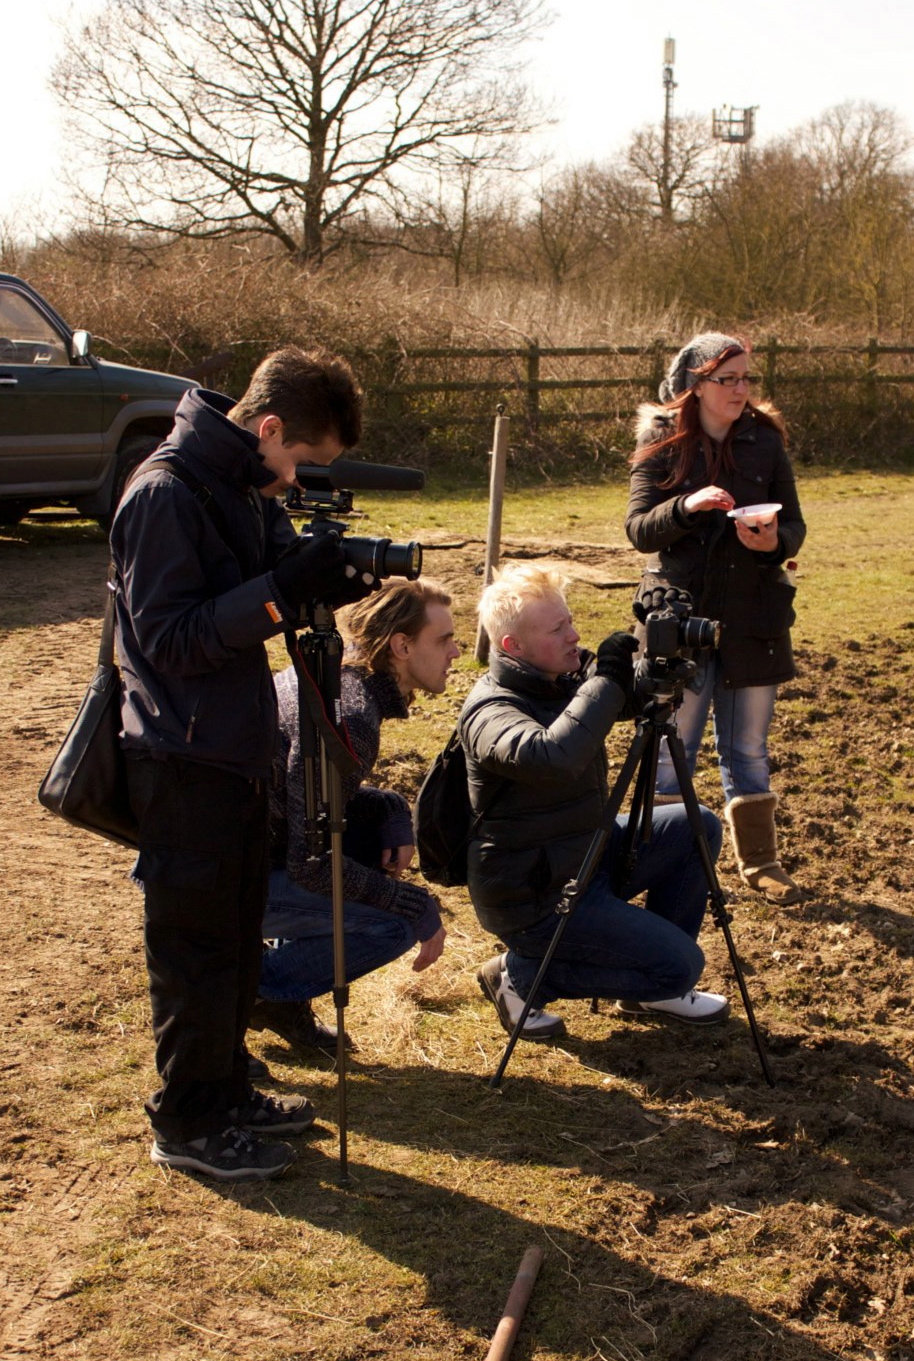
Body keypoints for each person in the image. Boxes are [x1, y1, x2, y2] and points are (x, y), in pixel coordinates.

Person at [111, 345, 375, 1181]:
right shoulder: (163, 494)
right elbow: (172, 638)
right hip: (179, 756)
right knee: (192, 947)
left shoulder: (240, 486)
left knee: (233, 936)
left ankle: (225, 1089)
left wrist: (316, 582)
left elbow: (269, 592)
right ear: (267, 428)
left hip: (237, 749)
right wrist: (278, 590)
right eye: (303, 463)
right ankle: (185, 1120)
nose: (301, 485)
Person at [459, 563, 729, 1042]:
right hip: (535, 895)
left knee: (696, 825)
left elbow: (612, 700)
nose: (574, 635)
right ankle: (519, 976)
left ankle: (651, 987)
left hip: (584, 855)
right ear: (513, 647)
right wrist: (605, 680)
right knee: (683, 966)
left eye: (570, 621)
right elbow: (553, 754)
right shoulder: (489, 711)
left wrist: (656, 669)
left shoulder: (556, 676)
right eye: (557, 628)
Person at [626, 332, 807, 905]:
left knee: (748, 747)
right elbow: (638, 529)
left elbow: (795, 526)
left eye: (747, 378)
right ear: (694, 386)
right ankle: (668, 857)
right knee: (670, 746)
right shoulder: (663, 443)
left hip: (754, 616)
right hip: (677, 618)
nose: (740, 389)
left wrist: (774, 541)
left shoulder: (766, 441)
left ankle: (760, 864)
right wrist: (686, 505)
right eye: (727, 379)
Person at [247, 579, 457, 1059]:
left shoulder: (338, 679)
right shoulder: (353, 713)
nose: (457, 651)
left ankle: (276, 998)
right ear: (402, 646)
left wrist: (390, 808)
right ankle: (242, 994)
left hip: (232, 860)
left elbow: (307, 800)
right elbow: (310, 863)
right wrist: (415, 905)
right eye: (444, 639)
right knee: (394, 924)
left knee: (366, 847)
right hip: (219, 882)